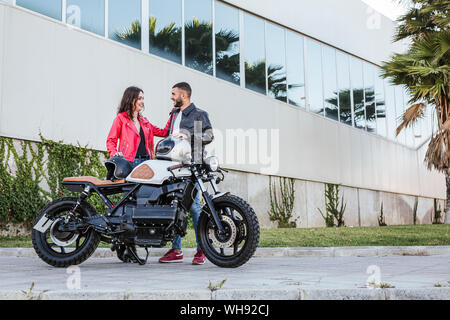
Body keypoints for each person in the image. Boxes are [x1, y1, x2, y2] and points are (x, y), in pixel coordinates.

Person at [159, 82, 214, 265]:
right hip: (171, 167)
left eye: (173, 93)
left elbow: (208, 136)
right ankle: (176, 250)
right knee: (175, 207)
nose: (171, 97)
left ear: (184, 95)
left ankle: (202, 249)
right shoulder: (174, 114)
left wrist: (189, 136)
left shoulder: (199, 114)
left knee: (194, 207)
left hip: (191, 167)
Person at [106, 86, 172, 169]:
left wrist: (172, 115)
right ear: (130, 100)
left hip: (146, 162)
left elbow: (164, 132)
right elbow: (111, 140)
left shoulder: (145, 122)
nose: (142, 102)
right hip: (129, 162)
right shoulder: (121, 119)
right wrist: (114, 153)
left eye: (143, 99)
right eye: (139, 98)